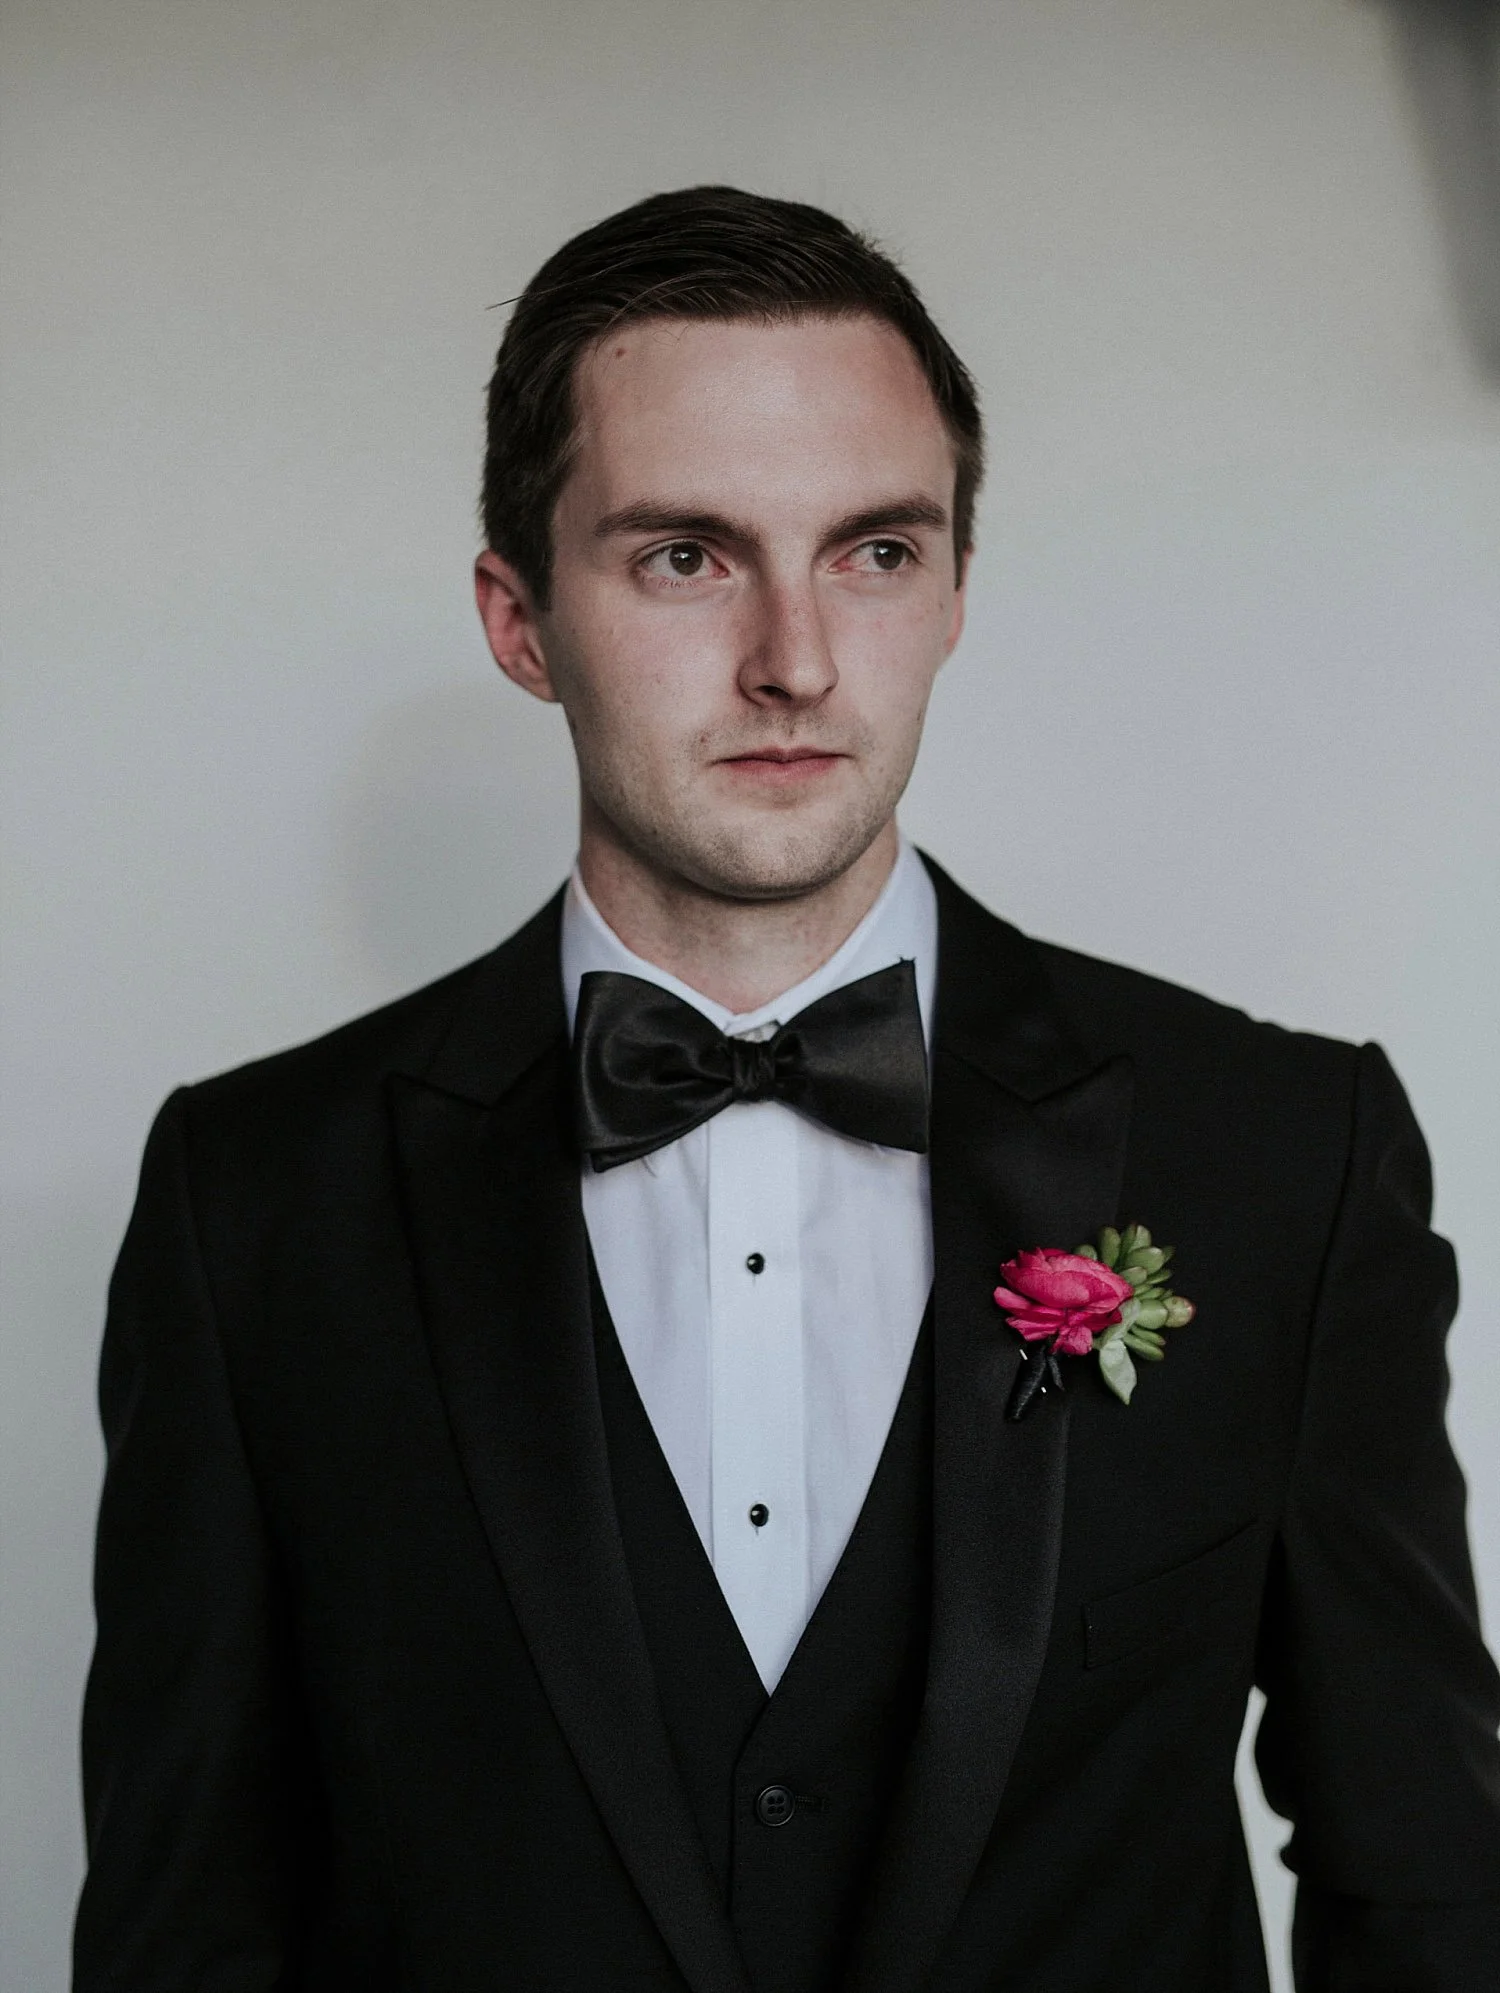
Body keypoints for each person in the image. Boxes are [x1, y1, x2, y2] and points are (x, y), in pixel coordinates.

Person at [74, 185, 1500, 1993]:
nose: (797, 660)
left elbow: (1434, 1877)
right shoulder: (254, 1199)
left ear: (956, 590)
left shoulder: (1285, 1154)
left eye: (874, 552)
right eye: (687, 556)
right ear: (521, 619)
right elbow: (181, 1928)